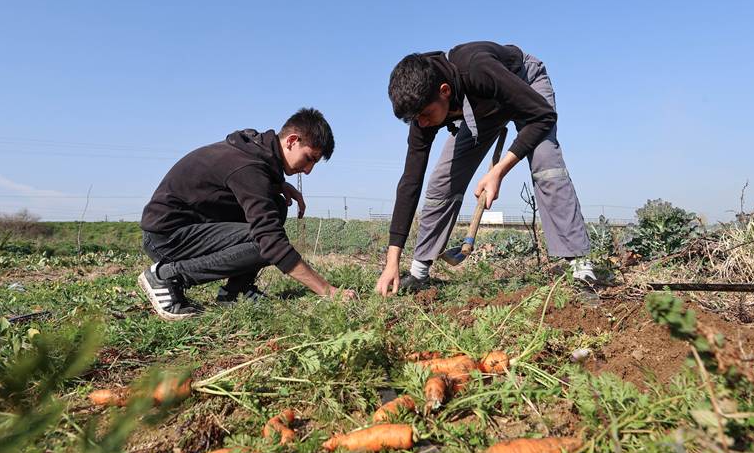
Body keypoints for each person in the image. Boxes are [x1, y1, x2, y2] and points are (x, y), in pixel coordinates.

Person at [375, 41, 594, 296]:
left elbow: (542, 115)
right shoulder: (422, 108)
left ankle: (580, 267)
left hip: (524, 82)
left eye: (425, 115)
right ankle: (419, 272)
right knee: (442, 181)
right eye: (415, 120)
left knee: (546, 164)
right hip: (481, 109)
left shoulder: (476, 69)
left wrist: (498, 171)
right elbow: (411, 181)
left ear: (444, 91)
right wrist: (392, 261)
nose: (422, 123)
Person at [138, 107, 356, 320]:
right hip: (167, 237)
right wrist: (328, 290)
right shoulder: (249, 166)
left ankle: (236, 290)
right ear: (291, 141)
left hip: (188, 226)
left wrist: (277, 184)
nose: (308, 170)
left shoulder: (254, 150)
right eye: (309, 158)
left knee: (277, 206)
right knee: (266, 243)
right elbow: (272, 242)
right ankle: (167, 277)